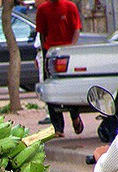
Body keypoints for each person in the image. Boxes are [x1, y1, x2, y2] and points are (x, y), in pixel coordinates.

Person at [35, 0, 83, 137]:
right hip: (50, 51)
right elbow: (42, 34)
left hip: (67, 50)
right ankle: (58, 127)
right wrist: (45, 54)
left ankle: (75, 115)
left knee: (70, 86)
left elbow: (76, 29)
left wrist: (71, 47)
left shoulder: (70, 6)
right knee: (51, 87)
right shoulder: (43, 9)